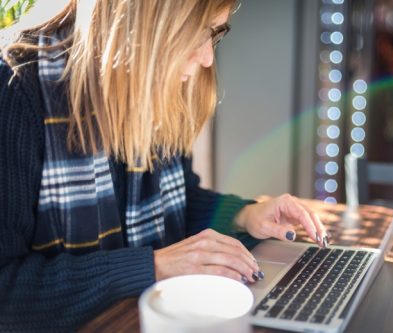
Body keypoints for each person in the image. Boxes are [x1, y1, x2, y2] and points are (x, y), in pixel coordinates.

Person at [0, 0, 331, 331]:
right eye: (198, 33)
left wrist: (244, 215)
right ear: (144, 22)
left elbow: (177, 201)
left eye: (216, 34)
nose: (207, 58)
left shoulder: (154, 90)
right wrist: (154, 266)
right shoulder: (17, 90)